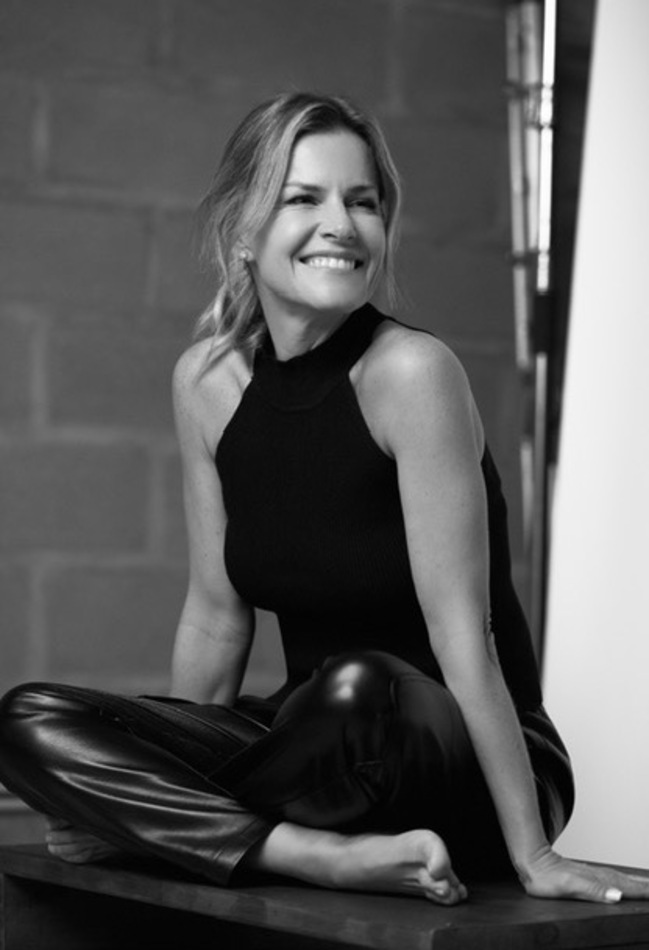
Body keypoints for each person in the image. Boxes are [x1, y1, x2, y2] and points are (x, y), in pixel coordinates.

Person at [0, 92, 647, 907]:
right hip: (309, 750)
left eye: (362, 202)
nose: (340, 223)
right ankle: (312, 855)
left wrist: (535, 856)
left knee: (357, 689)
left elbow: (463, 635)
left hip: (453, 756)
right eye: (303, 198)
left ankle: (181, 831)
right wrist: (174, 761)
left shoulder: (411, 374)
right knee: (28, 718)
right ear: (242, 230)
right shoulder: (207, 383)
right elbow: (215, 616)